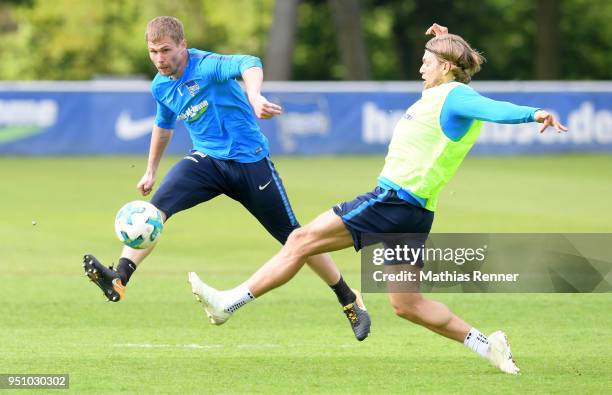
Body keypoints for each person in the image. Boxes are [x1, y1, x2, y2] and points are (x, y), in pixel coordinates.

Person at [187, 23, 568, 375]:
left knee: (300, 240)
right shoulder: (443, 94)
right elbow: (458, 79)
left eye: (427, 63)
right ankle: (488, 346)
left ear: (447, 68)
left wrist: (534, 114)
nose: (421, 69)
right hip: (414, 214)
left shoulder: (455, 95)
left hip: (391, 202)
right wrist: (445, 41)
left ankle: (228, 303)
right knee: (408, 305)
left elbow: (493, 109)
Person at [82, 16, 370, 342]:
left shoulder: (206, 66)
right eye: (153, 52)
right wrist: (151, 169)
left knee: (296, 239)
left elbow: (250, 63)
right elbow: (163, 124)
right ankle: (119, 278)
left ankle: (348, 298)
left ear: (183, 46)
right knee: (155, 210)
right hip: (206, 162)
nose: (160, 58)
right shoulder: (160, 85)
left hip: (250, 165)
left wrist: (255, 96)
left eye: (166, 50)